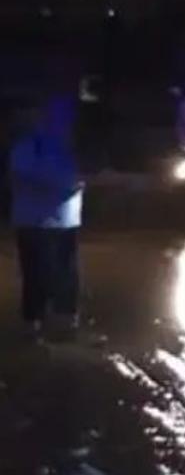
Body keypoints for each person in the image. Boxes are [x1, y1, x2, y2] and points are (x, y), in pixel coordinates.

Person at [7, 95, 87, 342]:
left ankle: (66, 321)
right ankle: (33, 324)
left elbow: (81, 175)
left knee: (67, 272)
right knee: (36, 274)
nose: (64, 123)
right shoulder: (30, 145)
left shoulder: (72, 147)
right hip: (34, 222)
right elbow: (23, 176)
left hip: (66, 221)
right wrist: (68, 182)